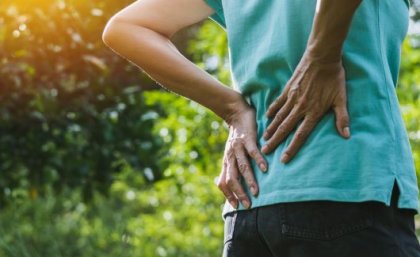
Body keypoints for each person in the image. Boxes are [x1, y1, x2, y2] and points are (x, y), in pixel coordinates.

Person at [102, 0, 420, 256]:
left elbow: (127, 28)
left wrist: (232, 108)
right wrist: (321, 58)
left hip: (250, 210)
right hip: (348, 188)